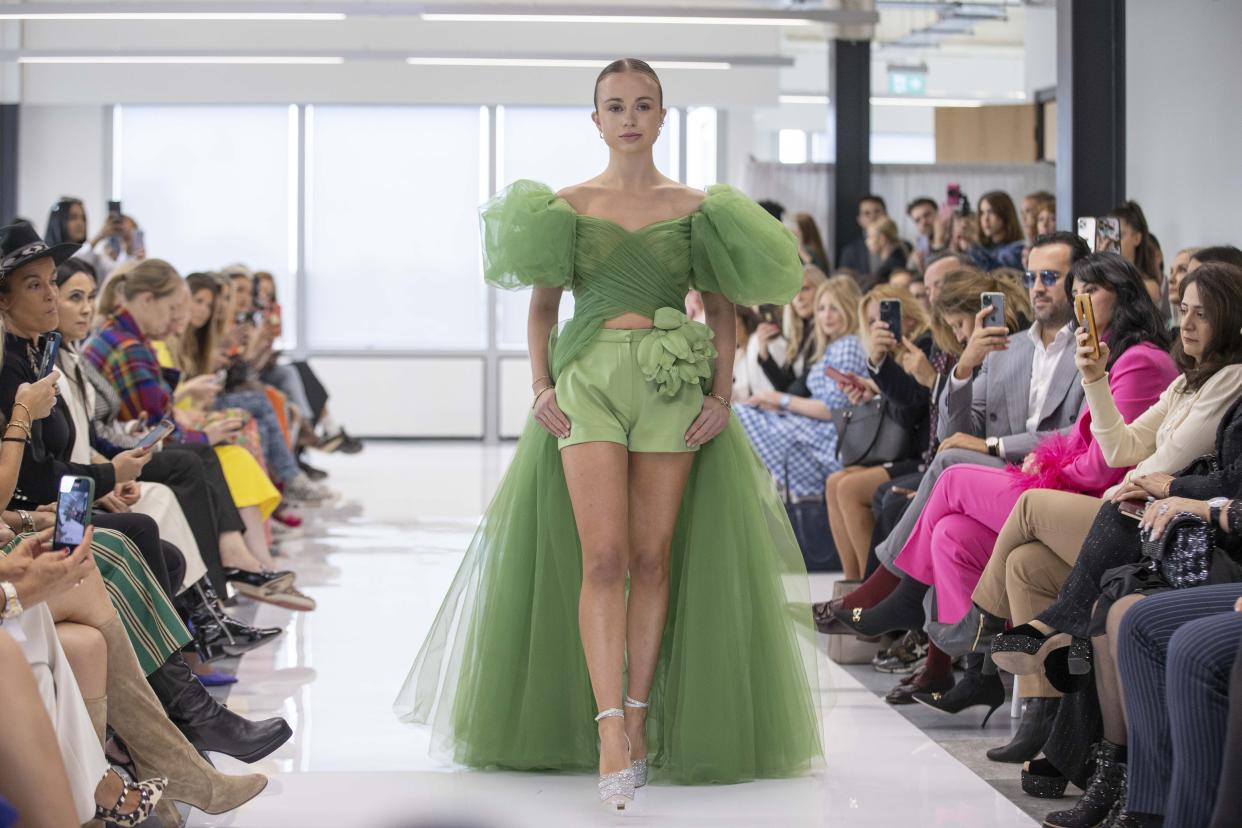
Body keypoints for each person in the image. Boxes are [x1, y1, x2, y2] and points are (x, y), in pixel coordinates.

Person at [394, 58, 822, 810]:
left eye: (644, 105)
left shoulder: (699, 208)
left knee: (654, 559)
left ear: (663, 117)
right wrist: (539, 385)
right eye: (615, 105)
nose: (629, 117)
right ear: (595, 119)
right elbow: (541, 309)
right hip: (587, 381)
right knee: (605, 557)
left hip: (672, 385)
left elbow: (722, 313)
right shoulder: (564, 205)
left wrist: (723, 394)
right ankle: (609, 730)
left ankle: (640, 710)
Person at [876, 255, 1175, 754]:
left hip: (1100, 503)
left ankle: (925, 606)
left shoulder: (1137, 359)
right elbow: (958, 428)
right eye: (1071, 288)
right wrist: (966, 366)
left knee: (950, 473)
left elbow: (1105, 462)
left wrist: (1044, 461)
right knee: (966, 539)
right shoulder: (1091, 354)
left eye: (1090, 291)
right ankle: (1024, 702)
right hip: (1063, 486)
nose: (1078, 302)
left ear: (1122, 297)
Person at [823, 283, 932, 580]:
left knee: (848, 488)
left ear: (906, 316)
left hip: (918, 454)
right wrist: (873, 389)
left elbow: (910, 410)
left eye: (884, 317)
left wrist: (880, 369)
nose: (878, 327)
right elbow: (902, 403)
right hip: (903, 451)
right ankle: (851, 582)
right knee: (835, 482)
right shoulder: (895, 354)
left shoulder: (923, 345)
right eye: (871, 322)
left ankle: (869, 587)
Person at [735, 278, 866, 498]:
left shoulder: (848, 346)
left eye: (834, 308)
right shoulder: (833, 347)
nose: (826, 315)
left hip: (827, 440)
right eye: (822, 308)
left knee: (737, 415)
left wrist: (780, 400)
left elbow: (832, 410)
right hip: (816, 432)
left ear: (849, 309)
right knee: (739, 414)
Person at [750, 265, 828, 395]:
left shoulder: (826, 332)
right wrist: (765, 354)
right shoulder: (800, 334)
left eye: (805, 289)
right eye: (793, 292)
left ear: (822, 290)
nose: (798, 298)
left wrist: (774, 399)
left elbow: (800, 391)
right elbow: (784, 385)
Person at [969, 191, 1026, 271]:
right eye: (982, 213)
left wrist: (971, 246)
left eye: (991, 212)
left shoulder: (1017, 249)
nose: (985, 219)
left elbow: (996, 272)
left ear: (1004, 214)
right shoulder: (982, 248)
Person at [839, 194, 889, 273]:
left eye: (877, 211)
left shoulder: (902, 247)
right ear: (859, 220)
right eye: (867, 213)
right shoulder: (850, 252)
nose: (873, 216)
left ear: (886, 215)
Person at [864, 218, 909, 287]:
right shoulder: (899, 257)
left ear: (882, 239)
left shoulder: (891, 266)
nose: (867, 242)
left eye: (870, 237)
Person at [906, 196, 939, 267]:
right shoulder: (921, 243)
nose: (923, 222)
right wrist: (918, 265)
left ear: (938, 214)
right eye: (917, 220)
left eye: (927, 215)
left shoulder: (956, 236)